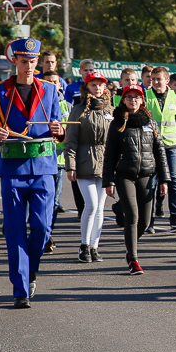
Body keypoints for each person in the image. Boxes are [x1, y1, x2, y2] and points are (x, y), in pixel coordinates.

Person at [0, 38, 66, 309]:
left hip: (43, 168)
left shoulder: (50, 90)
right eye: (24, 61)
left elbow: (59, 128)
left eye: (33, 62)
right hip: (13, 169)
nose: (29, 67)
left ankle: (31, 270)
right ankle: (20, 289)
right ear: (14, 61)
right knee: (15, 230)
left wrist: (59, 131)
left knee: (42, 227)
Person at [102, 84, 169, 273]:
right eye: (129, 97)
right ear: (123, 100)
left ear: (142, 100)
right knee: (132, 216)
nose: (133, 100)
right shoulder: (117, 123)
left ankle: (130, 247)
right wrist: (109, 181)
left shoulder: (151, 122)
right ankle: (133, 259)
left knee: (145, 222)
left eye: (137, 97)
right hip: (124, 175)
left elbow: (160, 152)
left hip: (147, 176)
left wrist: (164, 179)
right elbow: (110, 153)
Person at [65, 72, 113, 263]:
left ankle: (94, 246)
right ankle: (83, 245)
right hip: (84, 163)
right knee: (91, 205)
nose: (98, 88)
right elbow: (71, 140)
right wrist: (70, 166)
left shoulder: (110, 110)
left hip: (105, 164)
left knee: (101, 207)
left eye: (100, 85)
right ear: (86, 88)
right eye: (93, 85)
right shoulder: (78, 110)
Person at [144, 66, 176, 232]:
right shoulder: (145, 96)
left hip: (171, 146)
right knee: (150, 184)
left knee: (174, 181)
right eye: (153, 79)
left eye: (159, 79)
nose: (156, 82)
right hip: (151, 146)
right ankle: (149, 221)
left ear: (167, 81)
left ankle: (175, 218)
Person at [40, 70, 70, 253]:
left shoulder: (67, 105)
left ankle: (48, 234)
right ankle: (42, 234)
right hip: (42, 160)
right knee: (43, 201)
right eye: (48, 82)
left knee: (55, 202)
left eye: (55, 82)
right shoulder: (40, 104)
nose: (52, 85)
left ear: (60, 85)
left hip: (60, 161)